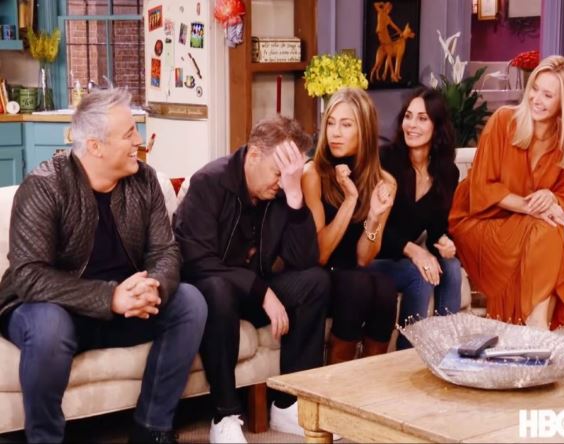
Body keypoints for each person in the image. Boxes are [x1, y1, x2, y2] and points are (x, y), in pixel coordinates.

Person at [0, 88, 208, 444]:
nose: (138, 141)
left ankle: (152, 429)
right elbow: (28, 275)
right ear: (95, 146)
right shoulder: (44, 187)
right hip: (53, 307)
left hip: (124, 307)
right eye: (128, 133)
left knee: (190, 302)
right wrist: (109, 297)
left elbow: (166, 252)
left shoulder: (145, 181)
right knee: (49, 326)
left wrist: (153, 287)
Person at [173, 115, 330, 443]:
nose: (281, 182)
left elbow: (304, 260)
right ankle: (224, 415)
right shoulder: (209, 183)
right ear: (254, 154)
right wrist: (262, 292)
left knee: (315, 282)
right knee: (218, 290)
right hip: (212, 293)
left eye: (289, 175)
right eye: (278, 173)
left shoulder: (280, 191)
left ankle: (288, 404)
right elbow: (196, 260)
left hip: (252, 291)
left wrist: (295, 197)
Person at [449, 55, 564, 329]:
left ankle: (535, 323)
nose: (536, 99)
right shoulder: (503, 121)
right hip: (477, 220)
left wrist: (551, 197)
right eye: (535, 88)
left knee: (548, 229)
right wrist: (532, 206)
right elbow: (481, 189)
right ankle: (537, 324)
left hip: (523, 225)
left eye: (548, 95)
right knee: (548, 229)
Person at [301, 87, 398, 363]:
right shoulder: (313, 173)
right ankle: (337, 380)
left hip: (353, 273)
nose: (335, 133)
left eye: (346, 125)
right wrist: (350, 200)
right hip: (320, 277)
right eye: (331, 123)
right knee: (357, 285)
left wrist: (374, 217)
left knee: (385, 288)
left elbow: (364, 258)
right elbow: (320, 254)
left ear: (364, 130)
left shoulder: (385, 182)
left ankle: (370, 379)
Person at [370, 87, 462, 350]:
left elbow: (436, 230)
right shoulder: (385, 160)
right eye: (408, 116)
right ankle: (408, 355)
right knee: (418, 275)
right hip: (375, 255)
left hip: (402, 257)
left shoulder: (447, 172)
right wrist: (413, 251)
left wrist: (445, 242)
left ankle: (446, 351)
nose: (411, 125)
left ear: (437, 126)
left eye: (422, 118)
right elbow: (374, 227)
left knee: (452, 267)